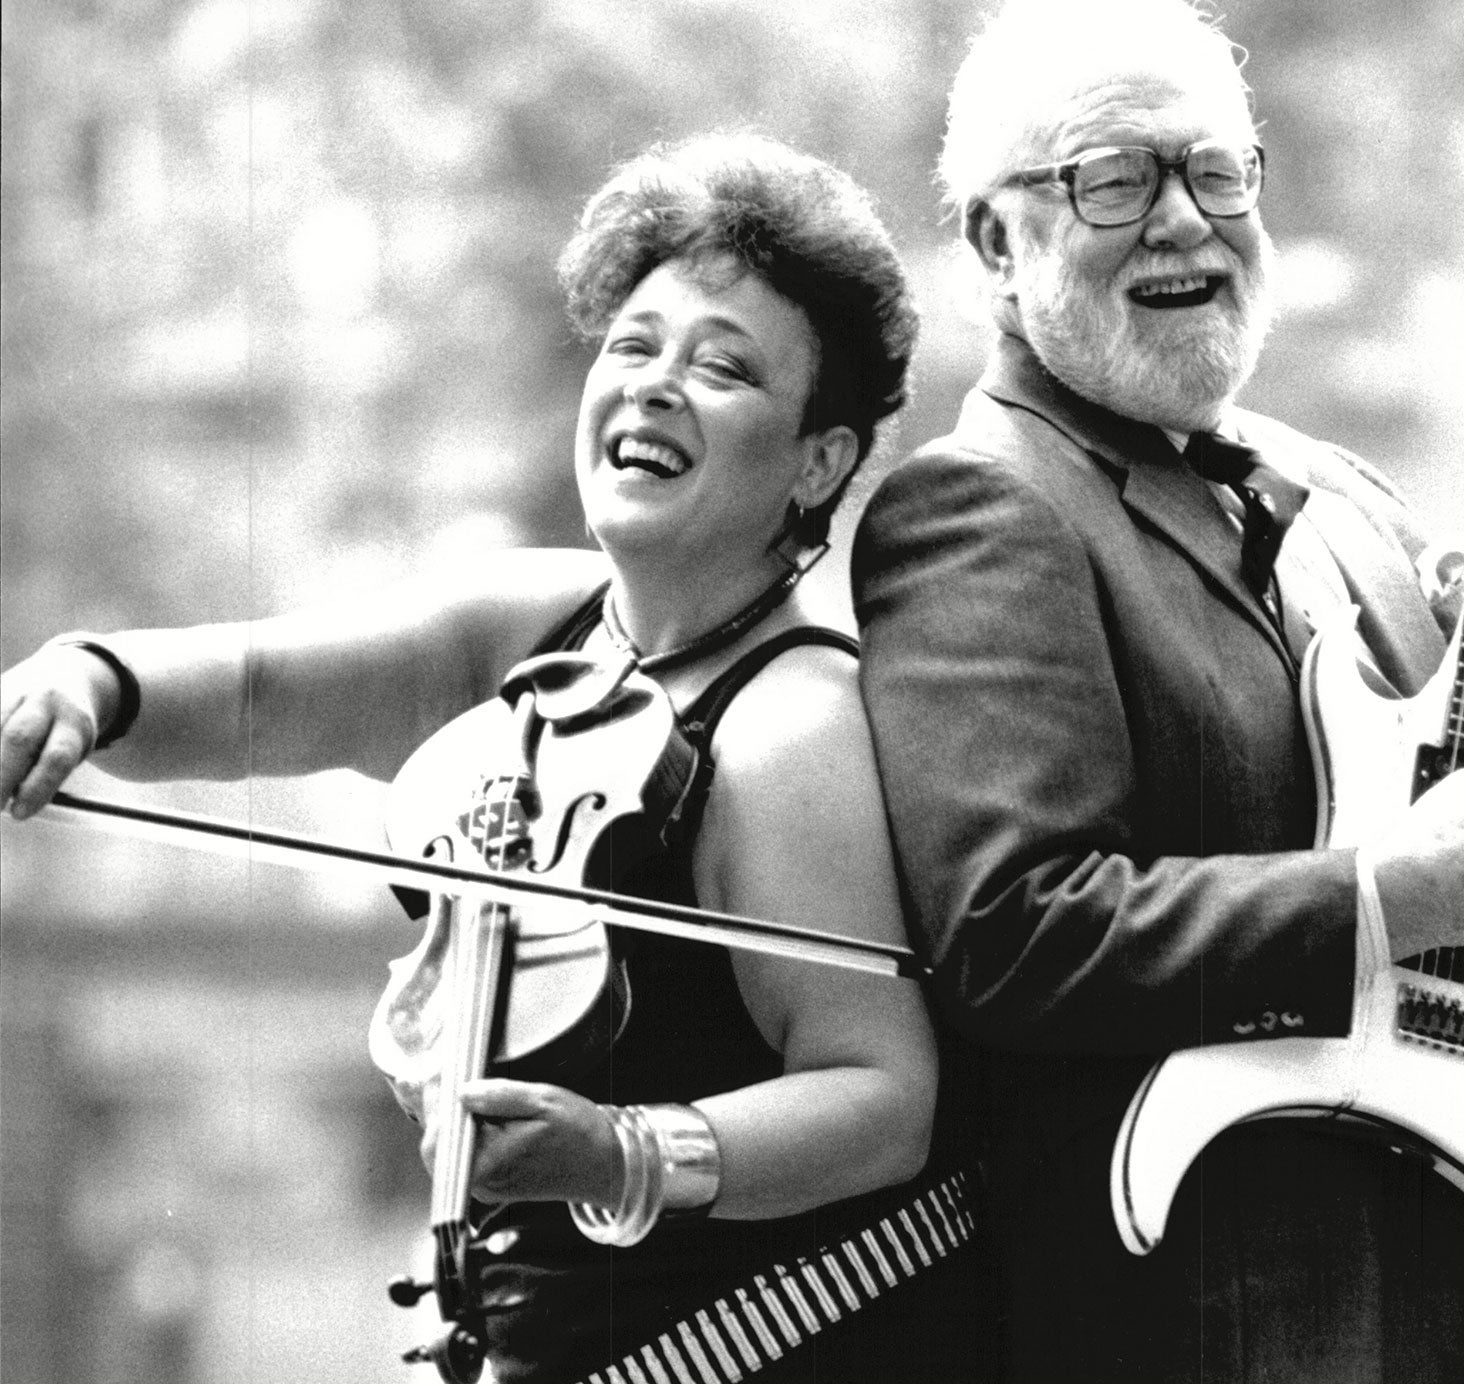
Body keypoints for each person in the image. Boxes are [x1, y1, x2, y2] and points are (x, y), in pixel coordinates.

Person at [1, 134, 984, 1384]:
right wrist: (88, 683)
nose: (655, 384)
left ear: (818, 461)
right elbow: (265, 697)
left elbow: (879, 1098)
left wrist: (620, 1152)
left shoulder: (788, 731)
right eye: (633, 344)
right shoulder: (533, 628)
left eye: (722, 367)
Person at [851, 0, 1464, 1383]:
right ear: (993, 242)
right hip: (1229, 1309)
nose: (1184, 220)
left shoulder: (1335, 488)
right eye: (1112, 178)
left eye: (1219, 174)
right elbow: (1017, 933)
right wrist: (1385, 899)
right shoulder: (980, 506)